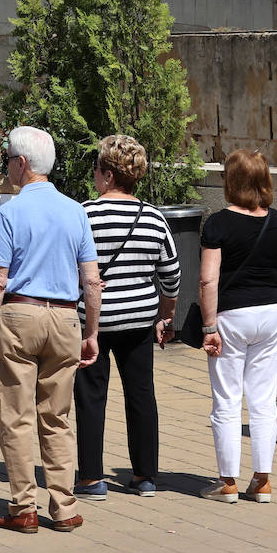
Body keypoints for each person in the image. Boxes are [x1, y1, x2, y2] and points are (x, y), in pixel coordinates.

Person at [0, 125, 101, 534]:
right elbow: (92, 279)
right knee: (57, 417)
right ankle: (64, 507)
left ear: (22, 164)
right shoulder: (76, 210)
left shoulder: (11, 212)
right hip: (65, 317)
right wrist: (91, 331)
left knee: (15, 416)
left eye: (8, 158)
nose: (7, 165)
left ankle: (23, 506)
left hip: (20, 314)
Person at [72, 135, 180, 501]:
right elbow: (172, 273)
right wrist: (165, 316)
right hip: (138, 321)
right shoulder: (153, 217)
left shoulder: (84, 213)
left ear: (106, 175)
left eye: (97, 169)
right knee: (141, 396)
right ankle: (145, 476)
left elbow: (69, 267)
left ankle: (90, 478)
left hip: (94, 324)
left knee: (90, 397)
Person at [198, 149, 277, 503]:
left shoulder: (218, 223)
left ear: (232, 181)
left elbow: (208, 281)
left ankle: (227, 482)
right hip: (270, 312)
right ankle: (262, 480)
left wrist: (208, 326)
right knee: (263, 399)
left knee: (226, 398)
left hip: (231, 315)